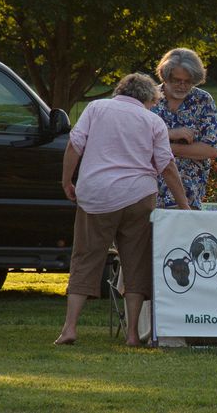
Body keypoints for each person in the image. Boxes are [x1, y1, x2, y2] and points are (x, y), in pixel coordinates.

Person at [54, 73, 190, 347]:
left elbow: (74, 145)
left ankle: (69, 328)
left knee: (85, 258)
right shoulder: (153, 121)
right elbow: (167, 166)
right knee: (136, 263)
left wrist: (67, 181)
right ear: (149, 98)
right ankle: (131, 336)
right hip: (138, 196)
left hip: (96, 195)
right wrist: (184, 205)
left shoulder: (96, 108)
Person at [150, 47, 217, 209]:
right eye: (176, 80)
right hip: (147, 193)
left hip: (188, 194)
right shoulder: (149, 99)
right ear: (165, 76)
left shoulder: (203, 100)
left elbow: (211, 150)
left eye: (188, 81)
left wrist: (162, 147)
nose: (182, 86)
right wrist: (171, 134)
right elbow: (136, 141)